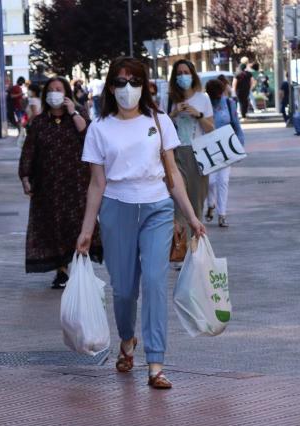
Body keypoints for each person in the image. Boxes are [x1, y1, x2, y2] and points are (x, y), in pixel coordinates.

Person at [76, 57, 206, 389]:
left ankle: (156, 363)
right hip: (117, 210)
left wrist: (192, 217)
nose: (127, 88)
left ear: (145, 85)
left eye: (134, 81)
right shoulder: (99, 128)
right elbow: (96, 184)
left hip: (157, 209)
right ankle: (127, 340)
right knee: (123, 290)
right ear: (110, 87)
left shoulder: (160, 121)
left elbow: (173, 173)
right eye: (120, 82)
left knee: (153, 282)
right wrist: (86, 231)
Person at [19, 76, 102, 288]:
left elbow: (88, 135)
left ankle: (82, 267)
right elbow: (29, 150)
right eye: (51, 89)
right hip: (49, 185)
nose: (55, 92)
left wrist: (73, 111)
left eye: (59, 89)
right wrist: (25, 176)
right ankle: (62, 270)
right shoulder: (39, 122)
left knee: (78, 224)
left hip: (77, 182)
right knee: (54, 226)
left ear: (66, 93)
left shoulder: (78, 114)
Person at [168, 59, 215, 224]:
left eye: (186, 73)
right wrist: (173, 113)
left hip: (199, 153)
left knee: (196, 204)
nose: (183, 76)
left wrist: (198, 114)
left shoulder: (203, 99)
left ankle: (196, 244)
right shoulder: (168, 100)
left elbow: (211, 129)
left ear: (193, 76)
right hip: (174, 155)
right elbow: (155, 129)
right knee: (177, 206)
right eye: (179, 73)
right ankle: (181, 246)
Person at [204, 79, 245, 228]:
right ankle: (211, 204)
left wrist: (240, 147)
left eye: (218, 95)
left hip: (226, 145)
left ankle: (222, 214)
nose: (217, 98)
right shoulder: (205, 103)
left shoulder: (229, 103)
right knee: (210, 181)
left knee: (223, 181)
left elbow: (237, 126)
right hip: (208, 146)